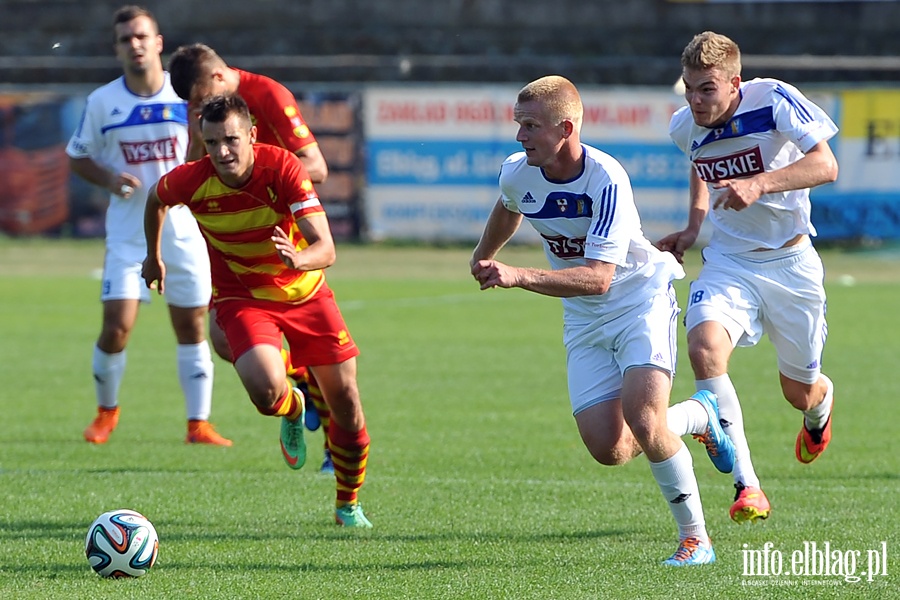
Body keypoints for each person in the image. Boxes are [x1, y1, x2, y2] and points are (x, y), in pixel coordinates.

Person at [470, 75, 735, 566]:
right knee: (610, 448)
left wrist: (516, 274)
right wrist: (485, 252)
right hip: (584, 319)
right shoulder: (517, 171)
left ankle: (696, 540)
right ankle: (698, 415)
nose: (519, 135)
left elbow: (598, 279)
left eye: (530, 125)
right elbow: (510, 206)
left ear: (565, 128)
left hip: (639, 302)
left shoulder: (606, 178)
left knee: (644, 418)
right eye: (518, 124)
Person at [141, 94, 372, 527]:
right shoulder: (192, 180)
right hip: (243, 298)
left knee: (347, 405)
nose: (222, 152)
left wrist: (299, 260)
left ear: (251, 134)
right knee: (266, 392)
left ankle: (348, 504)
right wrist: (153, 257)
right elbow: (155, 199)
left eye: (230, 139)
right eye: (211, 143)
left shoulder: (282, 168)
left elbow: (325, 247)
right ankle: (293, 407)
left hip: (306, 293)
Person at [659, 31, 839, 524]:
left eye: (707, 89)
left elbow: (826, 165)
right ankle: (748, 485)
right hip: (730, 262)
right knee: (704, 349)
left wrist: (759, 183)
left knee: (799, 392)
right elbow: (698, 162)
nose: (696, 100)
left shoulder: (773, 99)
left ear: (735, 83)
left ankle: (819, 410)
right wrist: (695, 225)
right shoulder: (685, 124)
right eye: (690, 88)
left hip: (791, 264)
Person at [66, 5, 230, 446]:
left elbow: (203, 160)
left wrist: (197, 142)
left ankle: (199, 424)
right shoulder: (103, 102)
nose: (134, 45)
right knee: (117, 325)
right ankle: (106, 413)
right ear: (117, 48)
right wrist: (108, 178)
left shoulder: (184, 99)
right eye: (125, 39)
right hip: (128, 231)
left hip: (182, 229)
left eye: (142, 36)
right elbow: (77, 155)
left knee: (191, 324)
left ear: (158, 43)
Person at [167, 43, 334, 473]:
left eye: (201, 99)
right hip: (237, 244)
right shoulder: (209, 116)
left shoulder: (270, 96)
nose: (201, 108)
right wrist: (193, 131)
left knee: (322, 354)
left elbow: (315, 167)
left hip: (285, 238)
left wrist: (262, 177)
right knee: (224, 340)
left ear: (219, 79)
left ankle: (336, 449)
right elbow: (191, 175)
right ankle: (295, 389)